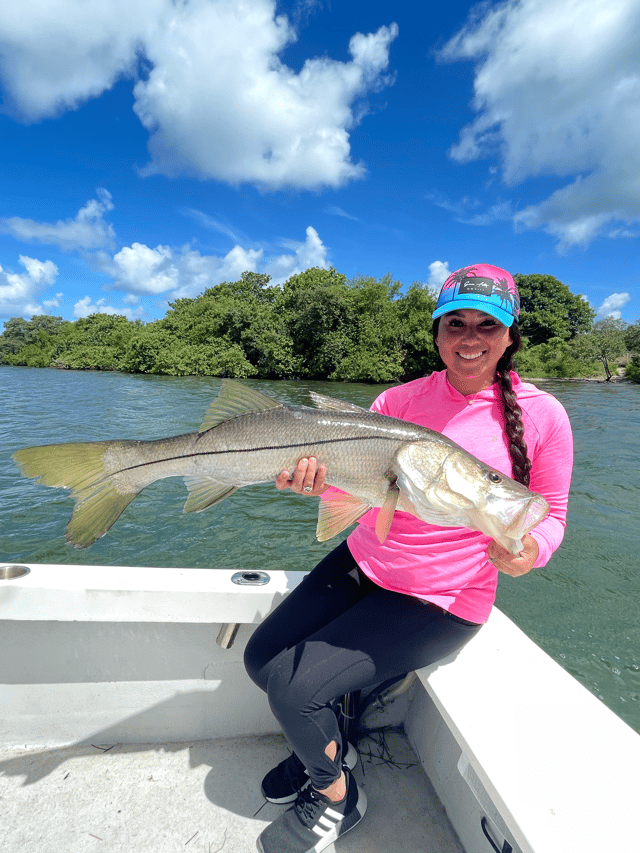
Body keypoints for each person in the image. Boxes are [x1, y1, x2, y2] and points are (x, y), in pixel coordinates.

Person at [244, 263, 573, 853]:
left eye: (486, 326)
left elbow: (550, 516)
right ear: (437, 331)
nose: (469, 338)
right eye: (455, 324)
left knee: (295, 693)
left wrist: (529, 554)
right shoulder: (397, 399)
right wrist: (315, 484)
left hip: (442, 599)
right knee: (261, 658)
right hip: (364, 561)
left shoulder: (544, 415)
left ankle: (337, 796)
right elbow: (359, 489)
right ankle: (327, 748)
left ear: (510, 335)